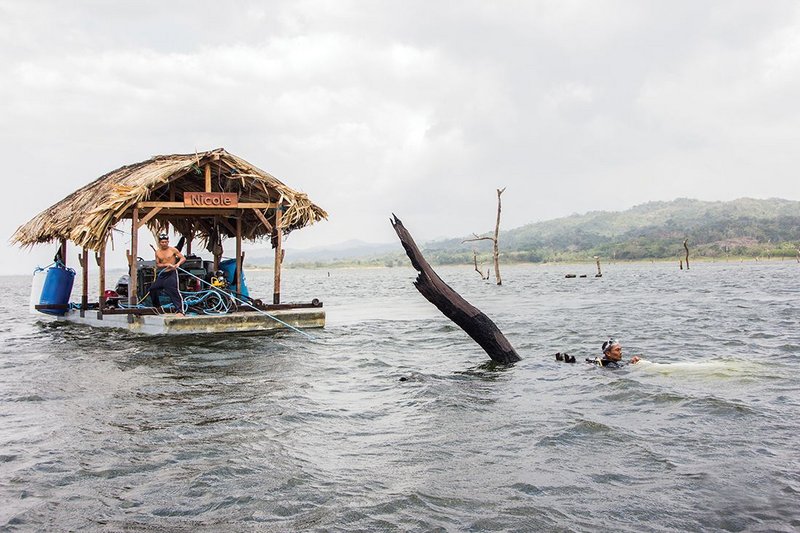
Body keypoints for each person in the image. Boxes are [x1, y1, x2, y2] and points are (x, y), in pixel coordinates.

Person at [146, 233, 186, 316]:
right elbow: (158, 264)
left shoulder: (173, 250)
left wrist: (177, 264)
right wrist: (166, 265)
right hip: (163, 274)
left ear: (168, 242)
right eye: (162, 242)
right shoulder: (158, 252)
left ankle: (180, 311)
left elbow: (183, 258)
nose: (164, 244)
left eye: (165, 242)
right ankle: (157, 307)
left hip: (171, 273)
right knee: (152, 289)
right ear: (159, 243)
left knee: (173, 291)